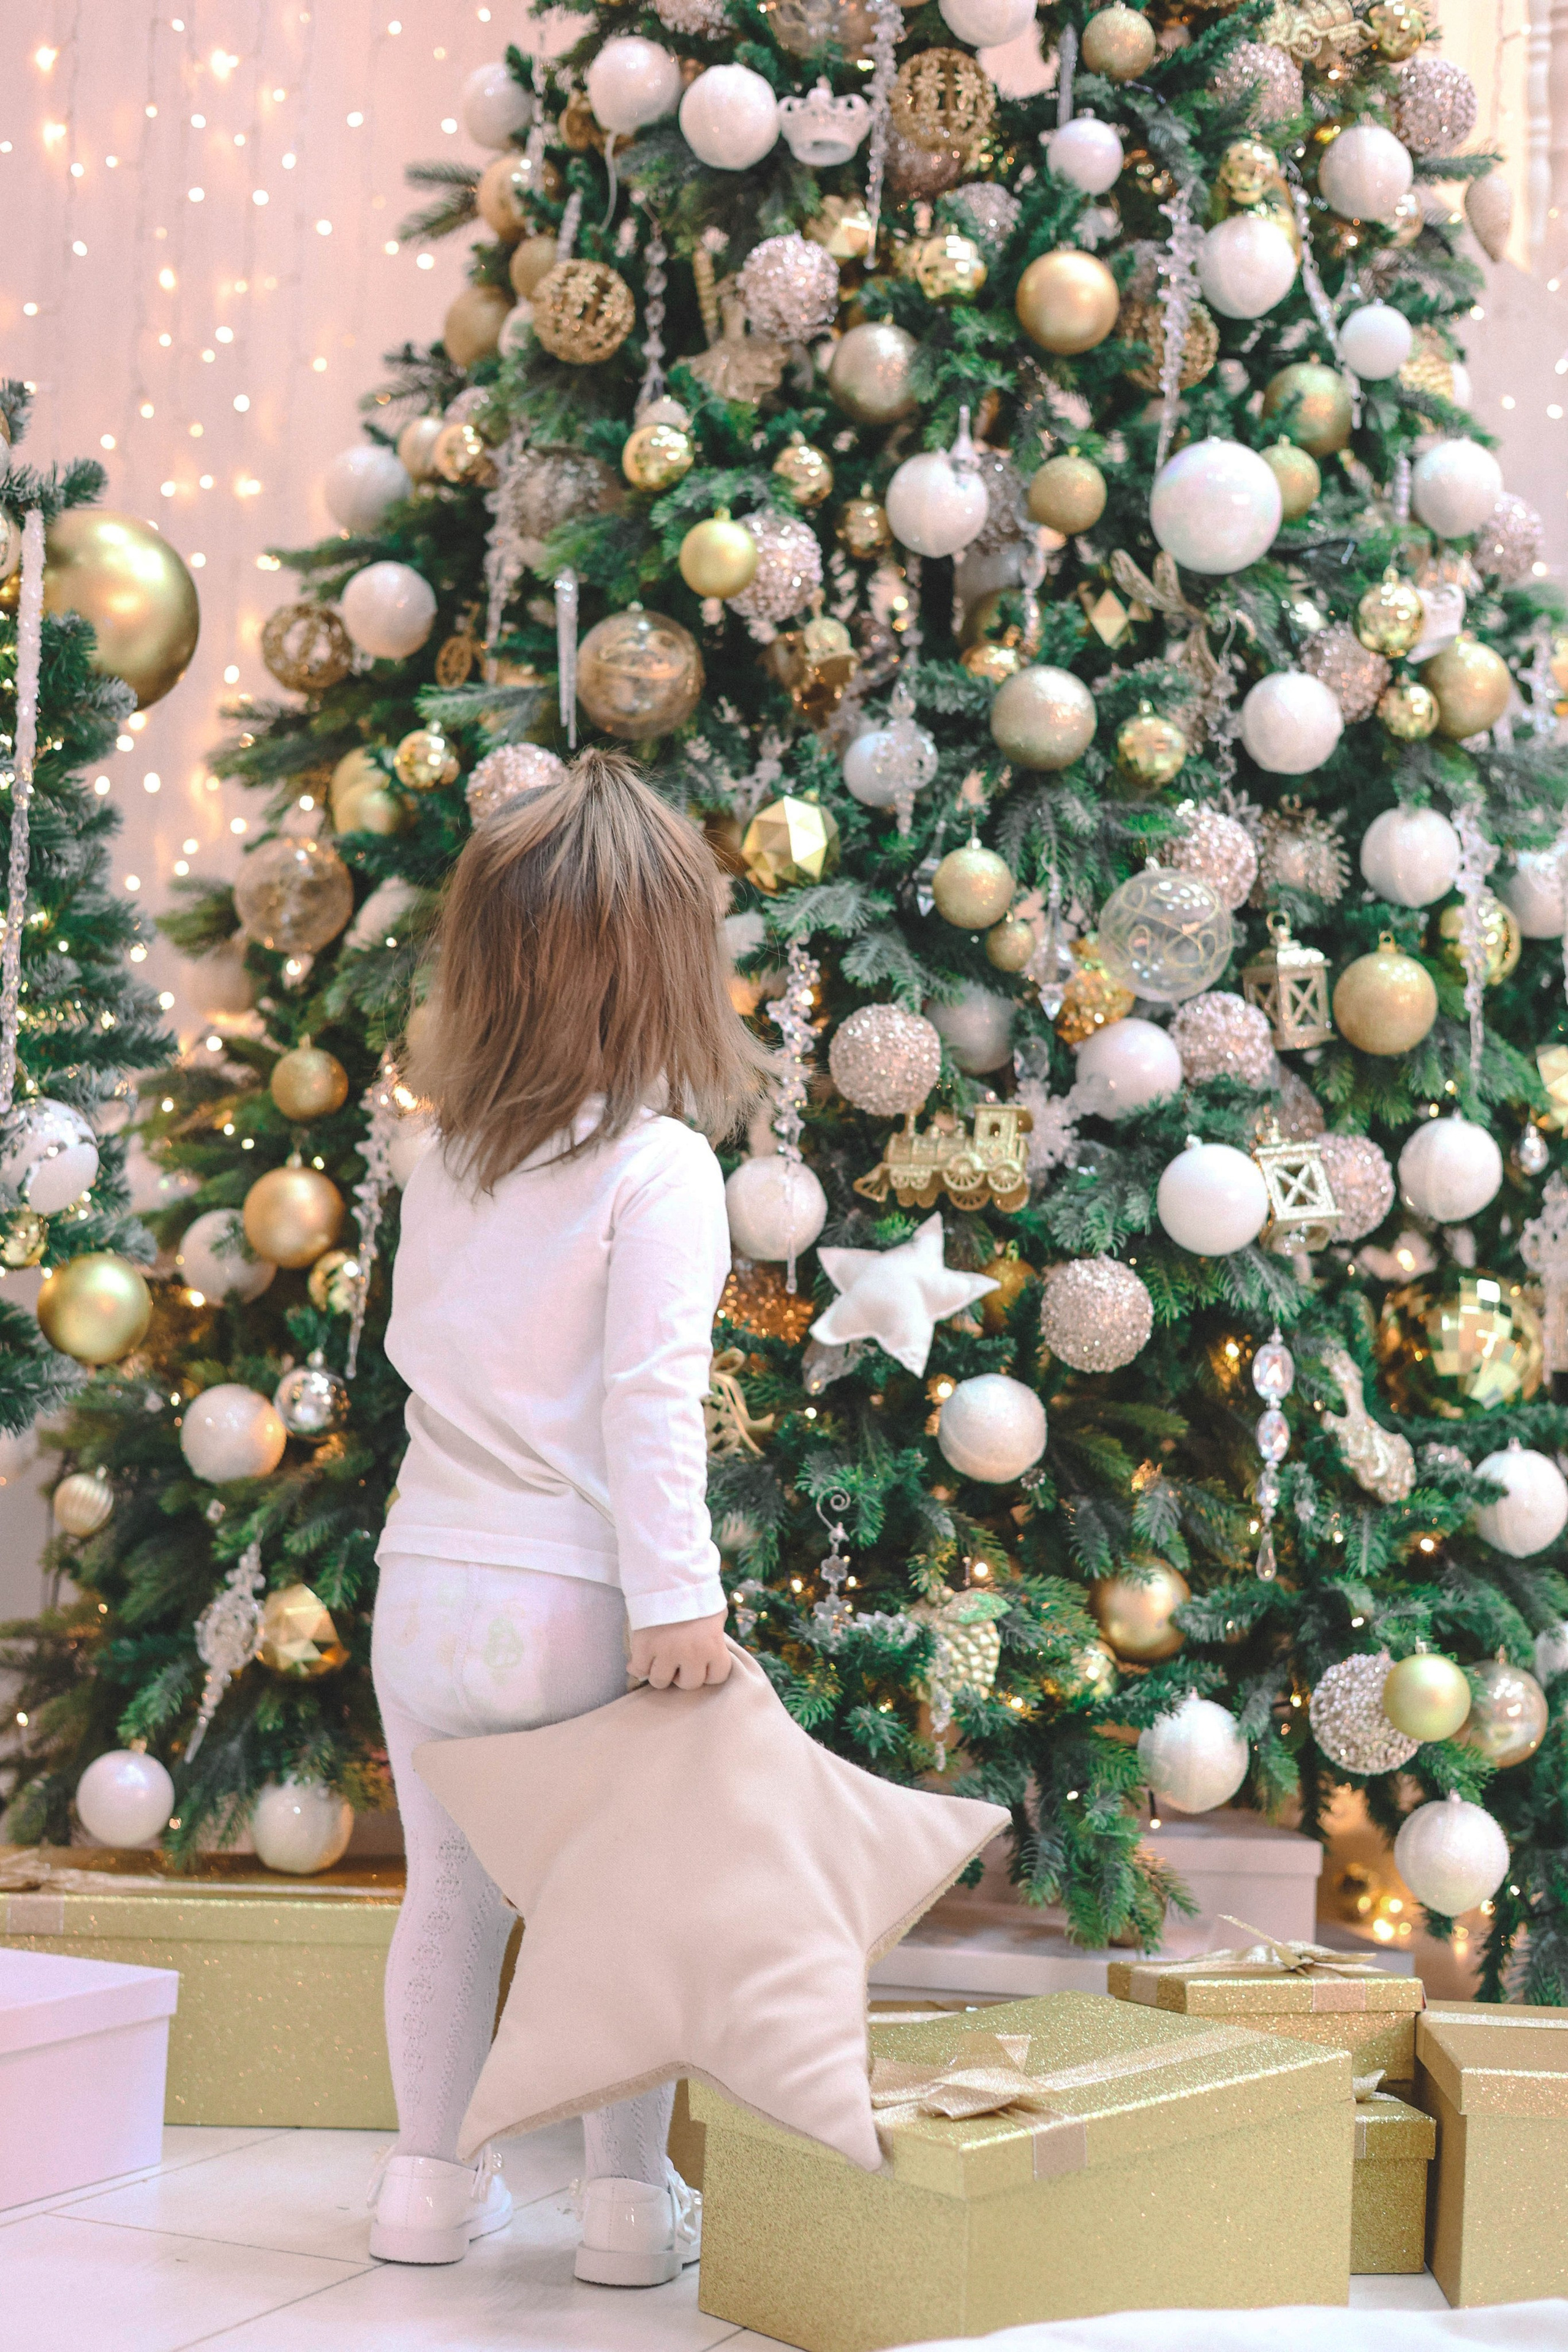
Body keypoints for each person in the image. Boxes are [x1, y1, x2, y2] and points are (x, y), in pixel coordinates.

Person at [366, 749, 770, 2286]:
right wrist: (679, 1595)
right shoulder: (661, 1169)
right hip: (579, 1601)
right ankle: (619, 2211)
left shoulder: (439, 1156)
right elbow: (649, 1403)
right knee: (620, 1910)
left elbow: (437, 1370)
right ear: (667, 969)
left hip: (428, 1590)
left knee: (449, 1898)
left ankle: (421, 2189)